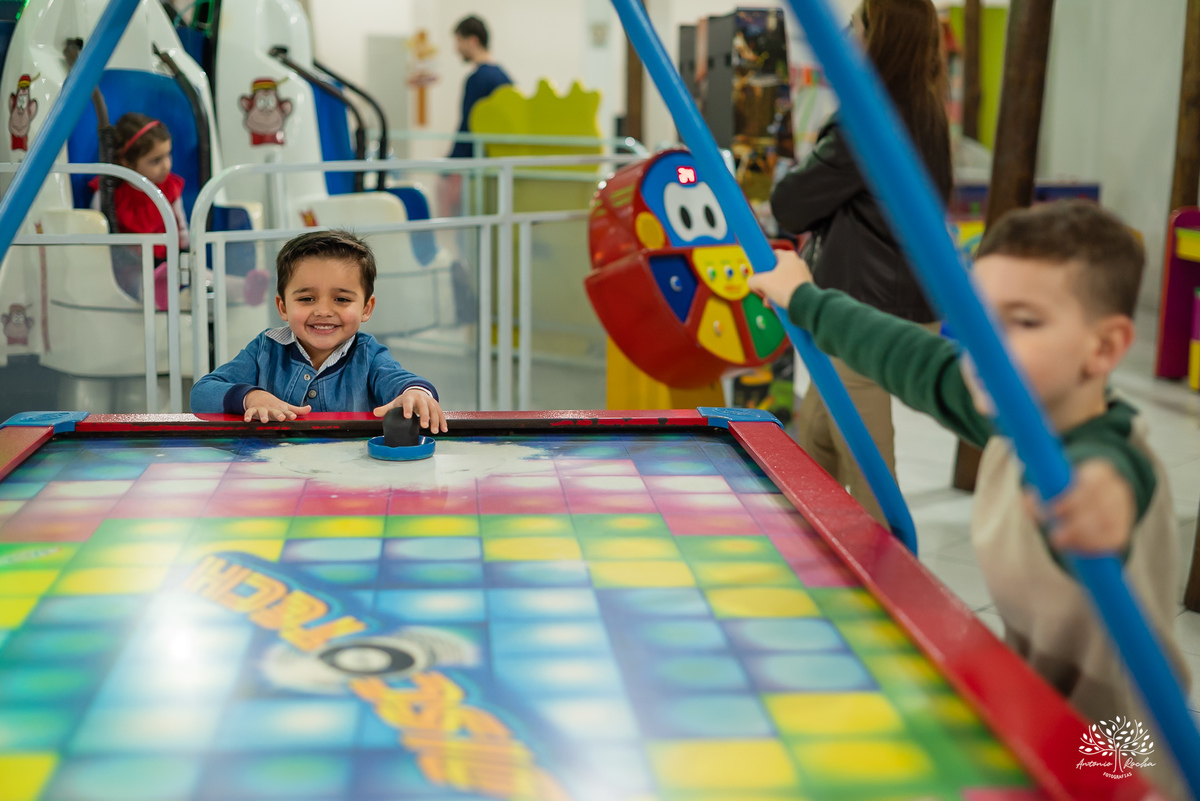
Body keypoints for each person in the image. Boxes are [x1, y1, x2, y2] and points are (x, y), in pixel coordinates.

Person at [749, 201, 1189, 798]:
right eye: (979, 321)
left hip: (1122, 732)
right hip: (1043, 692)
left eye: (1024, 322)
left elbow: (1113, 475)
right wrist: (805, 299)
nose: (985, 347)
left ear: (1105, 349)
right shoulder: (1012, 408)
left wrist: (1099, 503)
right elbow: (905, 354)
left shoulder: (1102, 454)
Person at [769, 0, 952, 523]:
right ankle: (815, 538)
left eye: (859, 24)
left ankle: (892, 575)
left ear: (883, 39)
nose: (847, 33)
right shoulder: (923, 108)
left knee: (867, 462)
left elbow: (791, 204)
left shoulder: (867, 121)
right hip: (898, 301)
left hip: (863, 314)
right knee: (818, 435)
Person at [190, 229, 448, 432]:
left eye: (342, 300)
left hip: (351, 475)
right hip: (277, 472)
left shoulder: (368, 354)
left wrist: (416, 394)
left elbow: (399, 381)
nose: (323, 311)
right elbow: (202, 393)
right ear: (282, 306)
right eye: (307, 299)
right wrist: (251, 397)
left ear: (366, 308)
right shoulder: (265, 349)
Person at [100, 112, 269, 311]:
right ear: (126, 163)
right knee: (139, 281)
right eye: (155, 160)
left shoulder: (170, 187)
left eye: (167, 155)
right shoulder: (110, 194)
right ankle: (157, 291)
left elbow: (180, 223)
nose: (166, 165)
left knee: (204, 275)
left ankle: (244, 288)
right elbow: (102, 235)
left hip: (168, 258)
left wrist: (187, 251)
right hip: (131, 265)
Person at [440, 15, 512, 216]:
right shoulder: (504, 77)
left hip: (477, 169)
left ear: (473, 40)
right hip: (496, 168)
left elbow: (468, 127)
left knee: (470, 230)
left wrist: (450, 166)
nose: (457, 49)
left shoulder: (477, 79)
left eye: (459, 42)